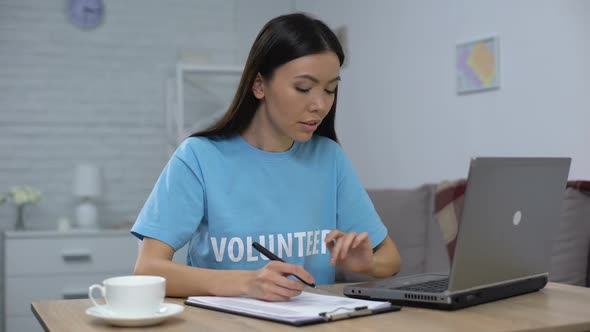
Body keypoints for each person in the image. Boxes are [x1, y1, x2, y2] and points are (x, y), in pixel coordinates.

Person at [131, 12, 401, 302]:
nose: (320, 104)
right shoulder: (199, 157)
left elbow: (390, 258)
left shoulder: (329, 158)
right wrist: (247, 283)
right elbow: (147, 271)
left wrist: (367, 264)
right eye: (303, 88)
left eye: (330, 89)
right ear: (259, 85)